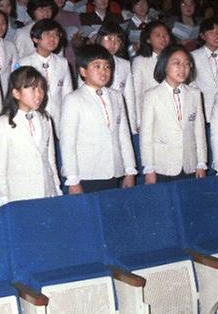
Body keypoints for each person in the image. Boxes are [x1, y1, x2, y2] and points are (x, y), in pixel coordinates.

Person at [60, 45, 137, 193]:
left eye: (107, 67)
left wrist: (130, 169)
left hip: (114, 170)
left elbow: (123, 136)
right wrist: (73, 179)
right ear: (83, 71)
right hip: (87, 174)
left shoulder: (117, 96)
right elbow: (67, 143)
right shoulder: (73, 99)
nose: (104, 71)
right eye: (97, 66)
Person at [0, 67, 62, 206]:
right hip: (20, 195)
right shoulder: (3, 123)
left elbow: (50, 158)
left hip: (47, 191)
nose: (39, 94)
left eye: (41, 88)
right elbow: (0, 164)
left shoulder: (45, 119)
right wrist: (3, 197)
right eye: (32, 89)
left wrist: (56, 188)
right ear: (16, 93)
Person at [140, 44, 207, 184]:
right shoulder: (151, 95)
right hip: (162, 165)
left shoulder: (194, 94)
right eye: (176, 63)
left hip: (189, 164)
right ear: (164, 65)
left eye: (187, 64)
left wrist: (201, 163)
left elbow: (199, 132)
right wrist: (149, 168)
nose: (182, 68)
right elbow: (146, 135)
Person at [18, 18, 73, 129]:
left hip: (58, 118)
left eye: (56, 35)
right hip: (33, 118)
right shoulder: (24, 63)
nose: (52, 38)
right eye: (47, 34)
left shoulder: (63, 63)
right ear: (35, 38)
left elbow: (67, 93)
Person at [95, 23, 137, 133]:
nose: (113, 44)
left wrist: (132, 129)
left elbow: (129, 99)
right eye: (109, 38)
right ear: (100, 39)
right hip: (97, 119)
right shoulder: (89, 63)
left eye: (118, 40)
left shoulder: (125, 65)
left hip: (119, 119)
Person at [132, 21, 171, 130]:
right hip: (151, 114)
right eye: (158, 35)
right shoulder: (140, 61)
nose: (163, 38)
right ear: (148, 39)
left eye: (165, 35)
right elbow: (136, 93)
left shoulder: (175, 58)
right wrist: (139, 120)